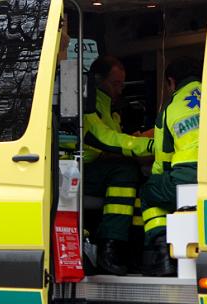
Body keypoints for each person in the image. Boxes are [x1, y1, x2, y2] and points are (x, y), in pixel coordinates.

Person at [82, 55, 155, 275]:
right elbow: (100, 138)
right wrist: (150, 145)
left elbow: (111, 142)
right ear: (97, 80)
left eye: (122, 84)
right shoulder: (87, 105)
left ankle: (132, 249)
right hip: (76, 172)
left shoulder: (109, 109)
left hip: (95, 171)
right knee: (125, 170)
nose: (121, 89)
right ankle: (110, 246)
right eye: (116, 84)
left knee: (141, 177)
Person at [140, 57, 202, 276]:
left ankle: (162, 256)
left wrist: (158, 178)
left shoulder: (170, 108)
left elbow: (163, 158)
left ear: (172, 82)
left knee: (149, 192)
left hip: (185, 178)